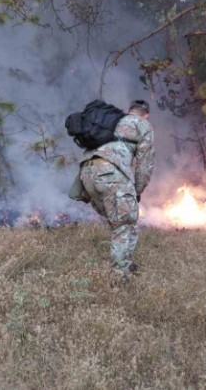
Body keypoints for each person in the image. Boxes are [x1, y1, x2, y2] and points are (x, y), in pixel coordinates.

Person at [77, 100, 155, 281]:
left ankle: (125, 261)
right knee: (123, 222)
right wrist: (137, 191)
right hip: (111, 173)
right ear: (146, 115)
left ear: (129, 111)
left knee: (125, 218)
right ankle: (119, 277)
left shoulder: (114, 120)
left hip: (87, 172)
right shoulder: (143, 125)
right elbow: (145, 164)